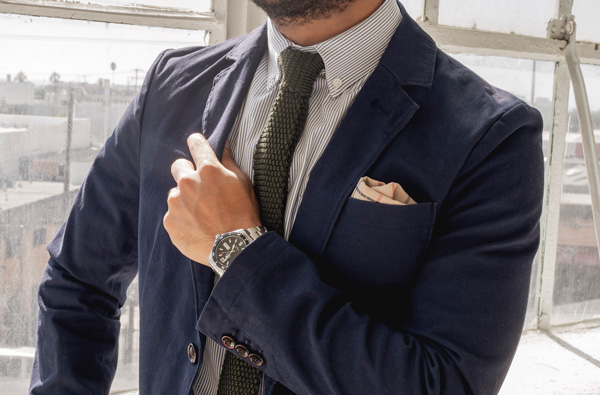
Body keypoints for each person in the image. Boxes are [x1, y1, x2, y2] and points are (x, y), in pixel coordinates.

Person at [30, 0, 544, 394]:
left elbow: (441, 382)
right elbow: (77, 281)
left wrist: (236, 249)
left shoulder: (490, 137)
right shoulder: (171, 86)